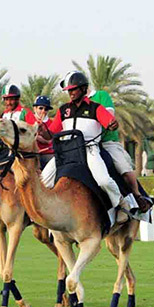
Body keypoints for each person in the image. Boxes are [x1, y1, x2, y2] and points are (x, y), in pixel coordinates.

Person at [38, 71, 137, 212]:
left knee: (104, 180)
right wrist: (43, 130)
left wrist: (112, 124)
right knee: (43, 180)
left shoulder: (95, 107)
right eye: (68, 90)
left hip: (89, 150)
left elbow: (109, 122)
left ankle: (122, 204)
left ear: (83, 89)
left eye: (73, 89)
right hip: (66, 152)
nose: (70, 93)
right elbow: (51, 134)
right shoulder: (63, 110)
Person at [88, 89, 151, 212]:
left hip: (107, 142)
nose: (71, 92)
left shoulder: (101, 96)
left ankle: (137, 196)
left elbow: (109, 117)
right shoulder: (73, 105)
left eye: (74, 88)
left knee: (123, 168)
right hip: (85, 145)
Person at [32, 95, 55, 169]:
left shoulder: (51, 123)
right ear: (35, 108)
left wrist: (37, 137)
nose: (43, 111)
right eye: (40, 108)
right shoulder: (29, 120)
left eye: (46, 109)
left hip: (48, 154)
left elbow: (49, 141)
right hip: (32, 154)